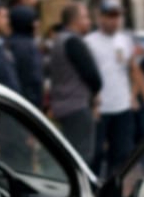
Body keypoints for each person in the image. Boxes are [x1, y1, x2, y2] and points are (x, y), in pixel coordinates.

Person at [85, 0, 142, 176]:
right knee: (94, 153)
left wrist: (133, 95)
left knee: (121, 154)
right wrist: (92, 102)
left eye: (117, 16)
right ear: (100, 17)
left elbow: (133, 69)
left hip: (122, 106)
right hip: (100, 108)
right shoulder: (89, 42)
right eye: (110, 16)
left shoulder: (125, 40)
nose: (114, 21)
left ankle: (113, 192)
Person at [48, 2, 102, 164]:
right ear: (74, 21)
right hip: (76, 106)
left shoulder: (59, 40)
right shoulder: (73, 42)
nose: (89, 21)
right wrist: (95, 93)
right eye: (85, 17)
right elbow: (92, 76)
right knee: (81, 157)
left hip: (63, 105)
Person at [8, 4, 44, 108]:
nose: (37, 24)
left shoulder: (10, 42)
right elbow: (34, 78)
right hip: (27, 102)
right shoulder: (28, 46)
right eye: (34, 21)